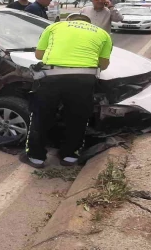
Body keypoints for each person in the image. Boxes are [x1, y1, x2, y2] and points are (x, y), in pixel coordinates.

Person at [21, 13, 113, 168]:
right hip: (84, 80)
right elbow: (103, 65)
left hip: (51, 78)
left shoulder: (55, 26)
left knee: (41, 116)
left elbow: (39, 55)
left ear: (68, 21)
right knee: (78, 118)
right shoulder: (102, 33)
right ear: (89, 24)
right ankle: (69, 155)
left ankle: (36, 157)